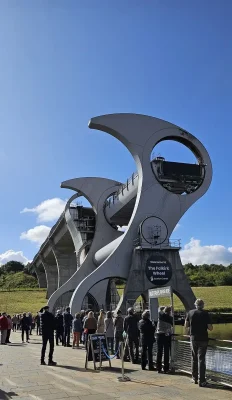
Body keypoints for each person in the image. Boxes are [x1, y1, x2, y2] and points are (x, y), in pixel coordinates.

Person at [185, 298, 213, 387]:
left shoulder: (190, 313)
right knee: (201, 360)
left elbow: (186, 325)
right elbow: (210, 328)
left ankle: (194, 378)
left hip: (193, 338)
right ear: (203, 305)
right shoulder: (205, 314)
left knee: (194, 358)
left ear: (195, 305)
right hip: (203, 338)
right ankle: (202, 380)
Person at [156, 306, 173, 373]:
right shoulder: (170, 318)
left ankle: (158, 368)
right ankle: (166, 368)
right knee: (166, 352)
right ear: (169, 312)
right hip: (166, 336)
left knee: (159, 352)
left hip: (159, 335)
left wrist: (162, 308)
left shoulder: (160, 316)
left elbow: (159, 310)